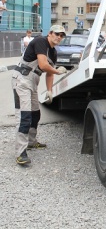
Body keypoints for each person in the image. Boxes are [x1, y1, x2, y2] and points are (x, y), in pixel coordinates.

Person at [12, 25, 68, 165]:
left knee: (35, 114)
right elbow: (43, 65)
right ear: (50, 33)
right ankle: (20, 153)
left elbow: (49, 74)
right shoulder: (40, 42)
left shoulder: (53, 53)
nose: (59, 37)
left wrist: (49, 90)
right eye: (57, 34)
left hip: (33, 82)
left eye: (62, 35)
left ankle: (31, 142)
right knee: (25, 116)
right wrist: (58, 72)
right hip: (22, 79)